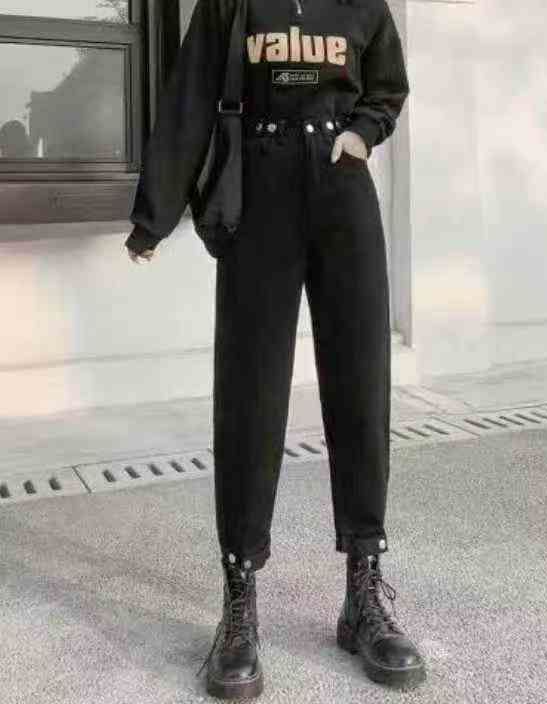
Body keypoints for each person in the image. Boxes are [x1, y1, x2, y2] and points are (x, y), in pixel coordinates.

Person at [125, 0, 427, 698]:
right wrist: (154, 214)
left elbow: (387, 84)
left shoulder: (362, 2)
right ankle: (239, 602)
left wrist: (362, 134)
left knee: (361, 383)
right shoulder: (229, 3)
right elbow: (190, 99)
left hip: (343, 193)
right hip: (258, 194)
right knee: (250, 392)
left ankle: (363, 591)